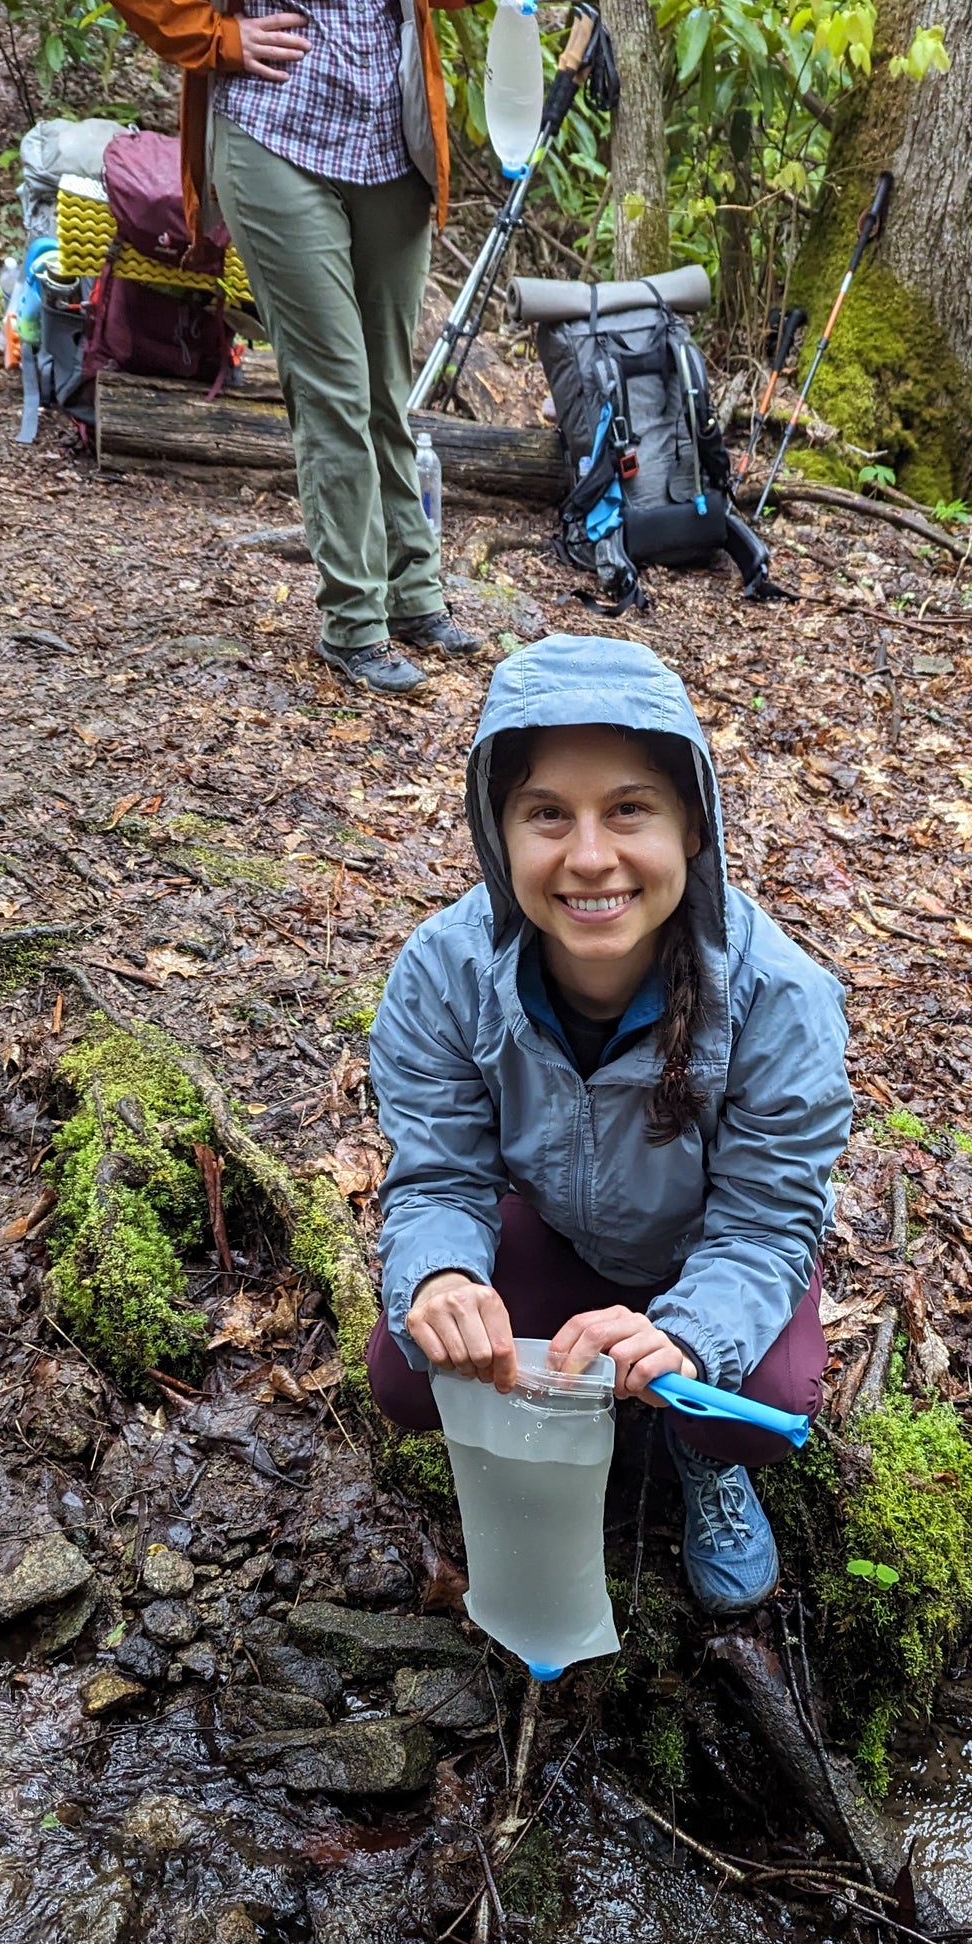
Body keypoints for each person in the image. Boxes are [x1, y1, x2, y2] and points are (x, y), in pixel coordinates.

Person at [367, 633, 853, 1614]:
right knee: (408, 1370)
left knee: (760, 1407)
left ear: (692, 828)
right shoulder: (441, 971)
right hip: (556, 1228)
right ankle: (542, 1443)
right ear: (498, 835)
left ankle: (695, 1453)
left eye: (628, 809)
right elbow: (437, 1174)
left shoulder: (779, 995)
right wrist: (443, 1273)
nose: (589, 857)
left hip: (707, 1247)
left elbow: (767, 1218)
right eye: (547, 814)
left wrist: (685, 1335)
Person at [70, 0, 522, 698]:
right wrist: (214, 35)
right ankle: (353, 622)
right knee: (333, 382)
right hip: (272, 130)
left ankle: (415, 595)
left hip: (391, 135)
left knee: (387, 381)